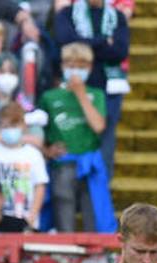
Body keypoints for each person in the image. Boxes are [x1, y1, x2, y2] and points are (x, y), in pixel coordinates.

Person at [52, 0, 132, 175]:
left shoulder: (117, 16)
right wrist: (104, 42)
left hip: (108, 90)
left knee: (105, 143)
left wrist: (84, 44)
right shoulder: (66, 14)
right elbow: (66, 41)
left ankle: (101, 189)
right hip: (71, 87)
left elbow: (119, 51)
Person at [42, 42, 112, 233]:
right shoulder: (49, 97)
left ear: (89, 68)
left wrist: (81, 94)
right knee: (64, 217)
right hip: (62, 164)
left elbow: (99, 126)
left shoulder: (96, 94)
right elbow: (37, 129)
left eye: (81, 66)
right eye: (70, 65)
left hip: (90, 163)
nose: (75, 71)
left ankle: (97, 257)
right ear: (62, 66)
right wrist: (46, 151)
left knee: (95, 215)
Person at [0, 104, 50, 231]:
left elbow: (40, 187)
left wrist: (33, 215)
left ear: (24, 126)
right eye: (6, 126)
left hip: (25, 219)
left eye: (14, 126)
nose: (10, 130)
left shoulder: (33, 154)